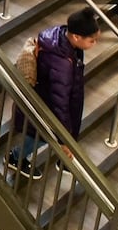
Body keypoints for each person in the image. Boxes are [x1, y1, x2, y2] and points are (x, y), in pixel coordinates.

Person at [6, 9, 102, 179]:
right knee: (41, 135)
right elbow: (60, 103)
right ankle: (16, 157)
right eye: (92, 40)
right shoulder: (62, 63)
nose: (94, 44)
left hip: (50, 99)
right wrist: (64, 139)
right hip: (46, 105)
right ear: (76, 37)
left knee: (40, 133)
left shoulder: (61, 38)